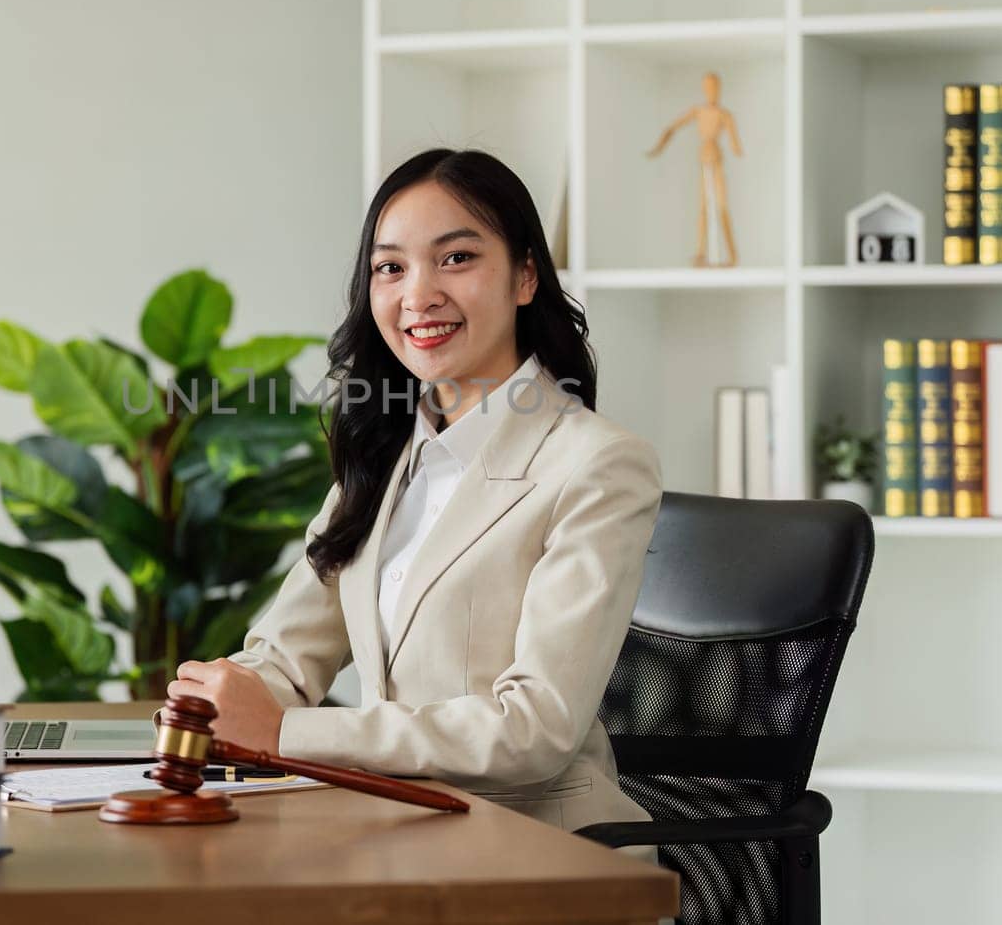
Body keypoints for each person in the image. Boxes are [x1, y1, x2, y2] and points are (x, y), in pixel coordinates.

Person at [167, 148, 663, 853]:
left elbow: (536, 728)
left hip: (543, 855)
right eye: (390, 267)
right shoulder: (383, 458)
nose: (417, 294)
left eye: (456, 258)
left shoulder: (598, 463)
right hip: (396, 835)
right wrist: (209, 704)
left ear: (526, 275)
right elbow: (286, 656)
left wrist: (285, 733)